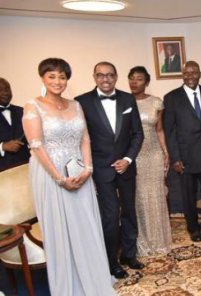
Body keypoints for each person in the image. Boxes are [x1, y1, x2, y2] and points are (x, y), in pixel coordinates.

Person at [23, 58, 115, 294]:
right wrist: (59, 179)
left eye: (62, 76)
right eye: (52, 76)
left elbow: (85, 139)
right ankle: (70, 285)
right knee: (60, 229)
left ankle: (93, 277)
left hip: (79, 171)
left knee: (86, 225)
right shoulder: (33, 105)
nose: (57, 81)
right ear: (42, 77)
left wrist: (88, 170)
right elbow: (37, 146)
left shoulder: (75, 105)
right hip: (49, 174)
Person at [75, 61, 145, 279]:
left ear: (116, 77)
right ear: (94, 77)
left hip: (126, 169)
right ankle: (112, 261)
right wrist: (88, 169)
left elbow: (137, 134)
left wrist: (127, 159)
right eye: (100, 75)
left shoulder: (127, 98)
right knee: (110, 216)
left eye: (110, 75)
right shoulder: (81, 102)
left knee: (129, 213)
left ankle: (129, 255)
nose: (105, 79)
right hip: (100, 170)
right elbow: (80, 138)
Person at [163, 61, 201, 242]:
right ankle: (193, 228)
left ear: (200, 74)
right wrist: (175, 158)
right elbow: (169, 131)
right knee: (189, 195)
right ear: (182, 75)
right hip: (185, 157)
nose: (190, 76)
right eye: (187, 73)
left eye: (194, 72)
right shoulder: (171, 97)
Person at [128, 66, 172, 256]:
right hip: (133, 155)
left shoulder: (156, 102)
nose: (134, 82)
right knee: (138, 197)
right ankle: (141, 240)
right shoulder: (123, 101)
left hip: (153, 153)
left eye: (139, 78)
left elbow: (159, 130)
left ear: (146, 82)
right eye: (131, 78)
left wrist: (165, 152)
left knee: (156, 195)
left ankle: (158, 240)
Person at [0, 78, 30, 171]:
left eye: (7, 89)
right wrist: (3, 146)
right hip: (2, 171)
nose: (5, 93)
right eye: (0, 90)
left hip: (27, 165)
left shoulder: (23, 111)